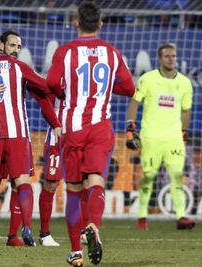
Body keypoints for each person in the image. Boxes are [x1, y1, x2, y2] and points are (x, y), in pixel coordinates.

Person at [47, 2, 135, 266]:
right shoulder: (112, 53)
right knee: (95, 179)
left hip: (73, 127)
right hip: (100, 127)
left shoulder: (65, 52)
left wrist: (66, 93)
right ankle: (93, 226)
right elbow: (130, 87)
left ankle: (76, 253)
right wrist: (106, 90)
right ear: (100, 24)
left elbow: (52, 83)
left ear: (76, 23)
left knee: (73, 190)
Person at [0, 29, 60, 247]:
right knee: (22, 181)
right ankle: (26, 227)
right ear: (1, 45)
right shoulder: (19, 66)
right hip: (18, 134)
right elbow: (45, 87)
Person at [126, 43, 195, 231]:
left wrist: (183, 133)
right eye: (167, 56)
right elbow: (134, 103)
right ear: (160, 58)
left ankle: (181, 216)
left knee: (177, 176)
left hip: (174, 138)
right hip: (151, 137)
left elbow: (186, 110)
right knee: (148, 176)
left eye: (173, 56)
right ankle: (142, 217)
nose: (171, 59)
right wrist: (130, 128)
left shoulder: (185, 83)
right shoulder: (147, 79)